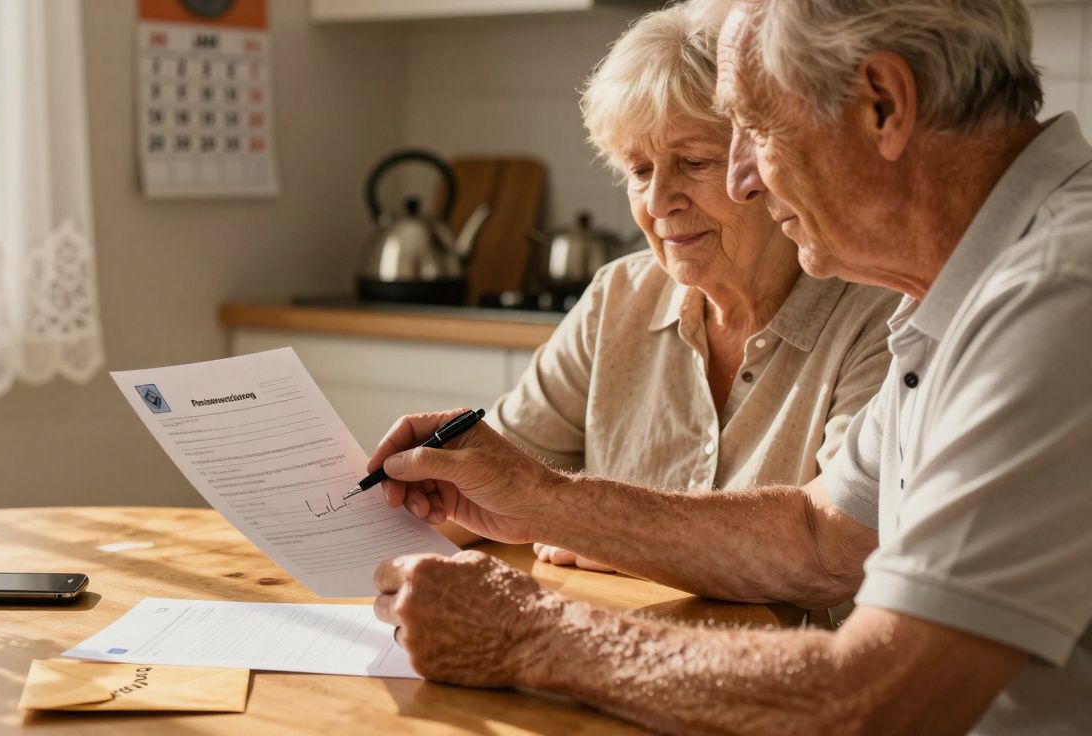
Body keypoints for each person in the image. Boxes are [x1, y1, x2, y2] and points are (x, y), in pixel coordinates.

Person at [369, 0, 1092, 732]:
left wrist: (528, 634)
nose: (748, 178)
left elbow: (878, 696)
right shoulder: (966, 285)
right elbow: (820, 537)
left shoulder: (1055, 294)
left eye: (760, 127)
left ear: (883, 104)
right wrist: (538, 495)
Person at [438, 4, 898, 578]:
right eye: (638, 170)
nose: (658, 205)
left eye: (693, 162)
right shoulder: (620, 295)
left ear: (767, 163)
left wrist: (616, 534)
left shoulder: (881, 313)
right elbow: (491, 487)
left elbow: (841, 548)